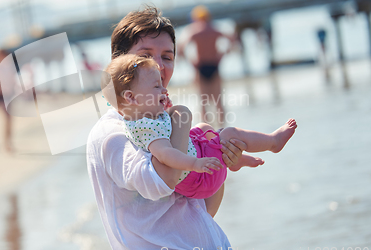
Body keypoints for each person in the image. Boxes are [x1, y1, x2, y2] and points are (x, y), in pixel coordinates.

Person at [87, 6, 247, 250]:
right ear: (119, 64)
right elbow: (164, 179)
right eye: (145, 56)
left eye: (168, 57)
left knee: (217, 119)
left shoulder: (159, 118)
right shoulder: (114, 132)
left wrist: (218, 163)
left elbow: (200, 212)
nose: (159, 67)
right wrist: (182, 118)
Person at [104, 54, 296, 200]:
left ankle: (235, 159)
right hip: (197, 177)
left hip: (194, 159)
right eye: (156, 87)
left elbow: (168, 129)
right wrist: (195, 164)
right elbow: (165, 154)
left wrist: (164, 106)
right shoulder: (146, 128)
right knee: (228, 133)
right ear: (131, 97)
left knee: (204, 127)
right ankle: (273, 142)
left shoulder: (142, 116)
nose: (164, 89)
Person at [178, 5, 236, 127]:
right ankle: (222, 129)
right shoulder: (214, 29)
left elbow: (181, 48)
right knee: (218, 101)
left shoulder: (194, 31)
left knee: (203, 102)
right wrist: (222, 55)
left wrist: (191, 62)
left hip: (201, 66)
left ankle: (206, 131)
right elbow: (232, 39)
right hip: (214, 65)